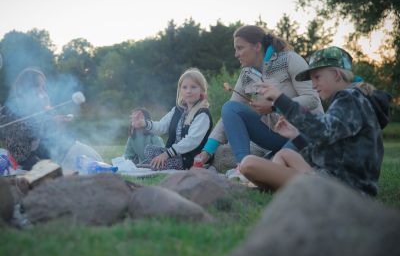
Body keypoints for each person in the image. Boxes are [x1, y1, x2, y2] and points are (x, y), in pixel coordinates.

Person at [239, 46, 391, 196]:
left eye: (317, 77)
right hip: (339, 181)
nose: (313, 85)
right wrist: (296, 136)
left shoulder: (349, 99)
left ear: (336, 75)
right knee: (285, 153)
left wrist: (280, 99)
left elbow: (321, 131)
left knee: (249, 163)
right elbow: (326, 157)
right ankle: (277, 188)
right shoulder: (354, 99)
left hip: (345, 191)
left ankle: (274, 188)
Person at [196, 25, 323, 176]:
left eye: (240, 48)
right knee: (230, 107)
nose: (236, 54)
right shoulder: (246, 75)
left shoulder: (289, 59)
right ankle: (243, 167)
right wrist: (206, 152)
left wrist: (274, 105)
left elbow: (312, 98)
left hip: (303, 132)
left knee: (277, 163)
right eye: (235, 49)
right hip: (275, 135)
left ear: (257, 46)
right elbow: (228, 116)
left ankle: (276, 162)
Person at [0, 67, 102, 171]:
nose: (42, 91)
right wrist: (49, 122)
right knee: (54, 170)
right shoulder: (12, 107)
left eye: (43, 87)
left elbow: (49, 137)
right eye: (38, 86)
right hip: (24, 160)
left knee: (83, 154)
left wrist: (57, 123)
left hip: (41, 154)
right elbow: (19, 144)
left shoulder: (38, 106)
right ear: (26, 87)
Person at [134, 68, 212, 170]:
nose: (188, 91)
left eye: (193, 87)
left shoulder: (202, 114)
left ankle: (150, 165)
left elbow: (192, 141)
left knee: (160, 163)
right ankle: (152, 165)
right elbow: (161, 127)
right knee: (149, 149)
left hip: (189, 159)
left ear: (202, 90)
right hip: (172, 154)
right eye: (185, 87)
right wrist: (144, 123)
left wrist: (166, 154)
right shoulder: (177, 110)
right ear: (180, 90)